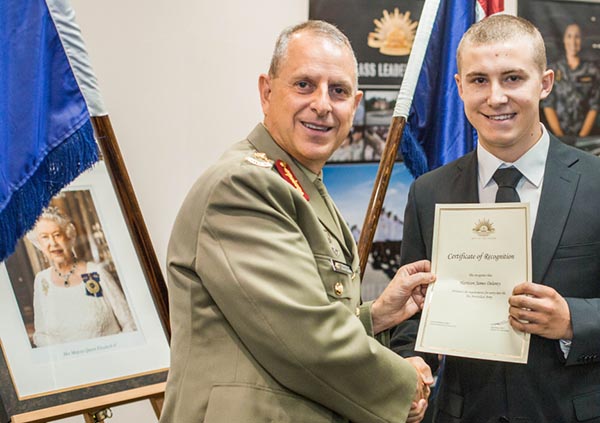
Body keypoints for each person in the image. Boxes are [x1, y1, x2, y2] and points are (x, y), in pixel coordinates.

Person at [160, 20, 437, 423]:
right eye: (304, 85)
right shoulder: (242, 185)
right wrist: (403, 384)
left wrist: (376, 316)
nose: (322, 104)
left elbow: (294, 317)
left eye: (338, 91)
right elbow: (304, 338)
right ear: (267, 92)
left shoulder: (301, 184)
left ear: (354, 106)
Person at [391, 14, 600, 422]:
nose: (496, 97)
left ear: (545, 83)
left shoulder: (596, 183)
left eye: (512, 78)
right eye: (479, 80)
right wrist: (411, 365)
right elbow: (412, 317)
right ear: (459, 88)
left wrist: (573, 320)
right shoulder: (429, 193)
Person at [27, 207, 136, 347]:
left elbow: (130, 323)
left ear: (69, 237)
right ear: (39, 244)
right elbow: (41, 335)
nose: (53, 243)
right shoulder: (42, 281)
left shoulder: (95, 272)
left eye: (57, 235)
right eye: (45, 237)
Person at [542, 22, 600, 142]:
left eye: (577, 37)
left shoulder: (592, 71)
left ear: (582, 40)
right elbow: (548, 104)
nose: (573, 41)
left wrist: (582, 138)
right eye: (569, 36)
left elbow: (594, 106)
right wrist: (560, 137)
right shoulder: (554, 69)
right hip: (556, 138)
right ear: (564, 39)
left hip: (586, 139)